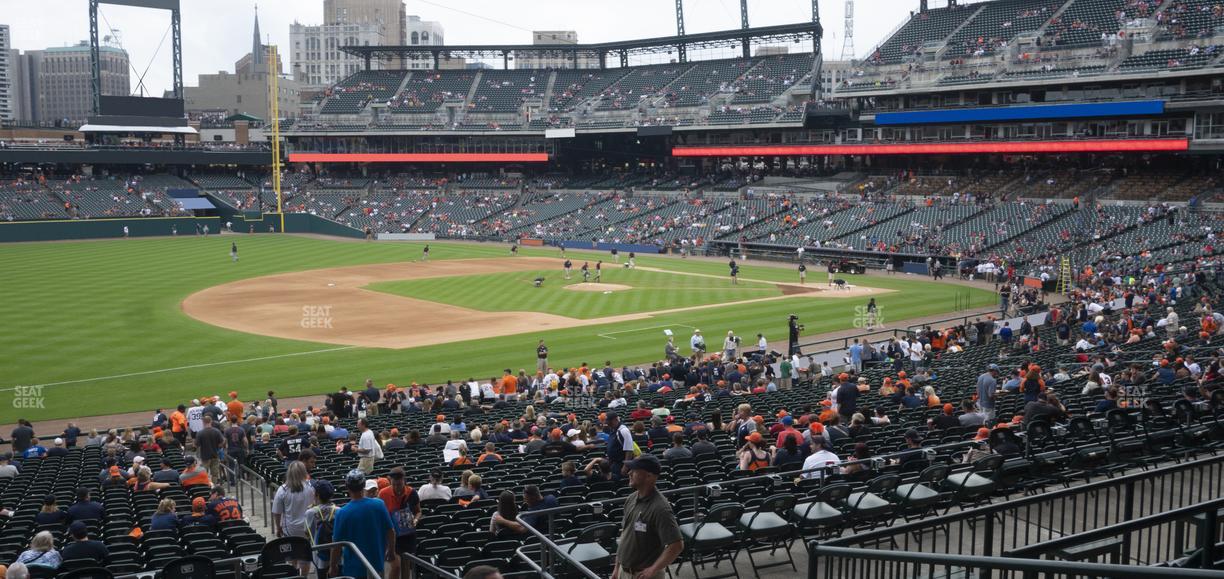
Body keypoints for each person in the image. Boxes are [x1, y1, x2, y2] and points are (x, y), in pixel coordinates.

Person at [611, 455, 683, 579]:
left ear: (649, 476)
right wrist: (617, 568)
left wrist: (653, 570)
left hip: (643, 575)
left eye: (634, 470)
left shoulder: (660, 508)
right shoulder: (631, 498)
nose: (629, 473)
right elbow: (625, 534)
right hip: (624, 572)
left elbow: (677, 545)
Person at [330, 469, 396, 579]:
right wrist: (392, 551)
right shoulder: (379, 504)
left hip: (353, 570)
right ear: (364, 485)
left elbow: (336, 545)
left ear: (347, 487)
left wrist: (333, 566)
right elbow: (390, 531)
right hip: (377, 565)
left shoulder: (342, 513)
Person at [272, 461, 316, 575]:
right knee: (305, 556)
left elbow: (277, 512)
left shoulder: (283, 489)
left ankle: (293, 574)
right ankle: (303, 576)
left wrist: (278, 527)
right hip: (307, 528)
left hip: (290, 528)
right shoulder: (311, 487)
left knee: (292, 553)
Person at [378, 466, 421, 572]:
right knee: (396, 567)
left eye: (400, 484)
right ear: (390, 482)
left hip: (407, 534)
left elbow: (418, 511)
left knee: (406, 565)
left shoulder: (412, 493)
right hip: (391, 534)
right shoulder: (383, 493)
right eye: (394, 484)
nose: (397, 487)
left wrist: (415, 520)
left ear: (404, 481)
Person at [305, 479, 339, 575]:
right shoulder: (339, 510)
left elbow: (307, 532)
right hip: (337, 554)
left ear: (317, 495)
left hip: (319, 553)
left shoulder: (310, 512)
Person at [196, 415, 227, 483]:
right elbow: (223, 441)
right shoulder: (216, 431)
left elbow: (196, 445)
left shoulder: (200, 433)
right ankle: (214, 487)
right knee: (215, 474)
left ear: (203, 422)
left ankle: (206, 487)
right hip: (215, 455)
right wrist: (219, 447)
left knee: (203, 473)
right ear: (211, 421)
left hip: (205, 456)